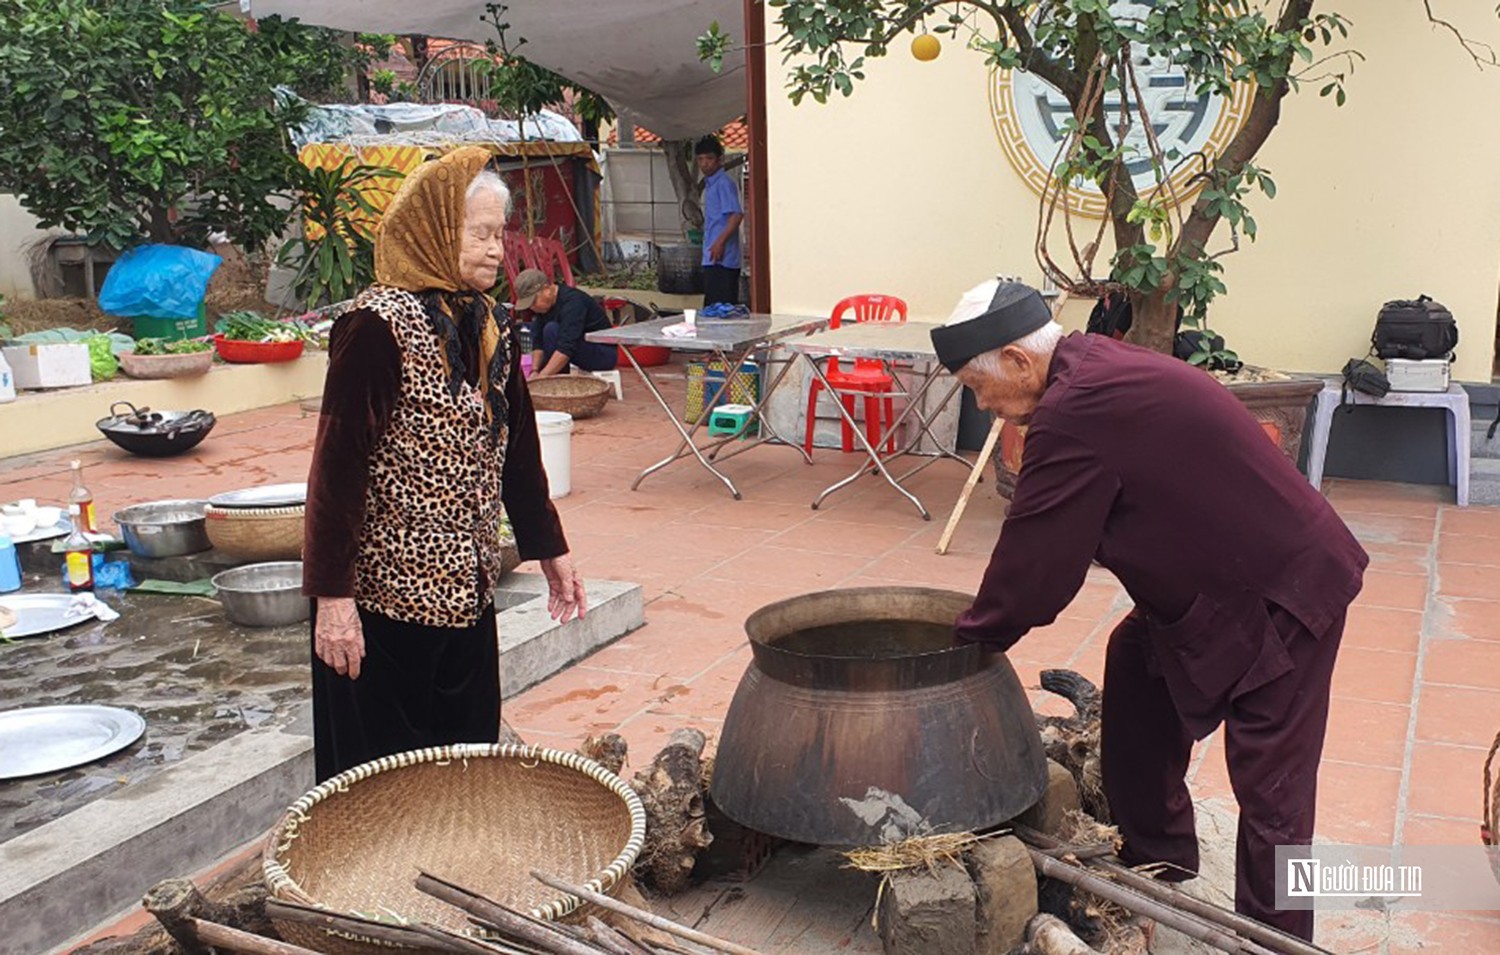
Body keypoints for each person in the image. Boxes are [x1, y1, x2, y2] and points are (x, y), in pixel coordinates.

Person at [929, 279, 1368, 942]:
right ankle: (1157, 860)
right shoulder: (1088, 371)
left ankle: (1276, 937)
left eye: (976, 383)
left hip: (1285, 585)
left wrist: (967, 642)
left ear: (1019, 361)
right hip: (1217, 582)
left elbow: (1037, 569)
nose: (982, 403)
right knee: (1135, 666)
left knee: (1272, 785)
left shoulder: (1077, 407)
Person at [302, 146, 586, 783]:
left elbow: (517, 447)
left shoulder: (486, 321)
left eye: (499, 235)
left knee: (462, 775)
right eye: (479, 235)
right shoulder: (375, 327)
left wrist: (549, 547)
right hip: (383, 607)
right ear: (431, 232)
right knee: (377, 786)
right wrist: (333, 601)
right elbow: (335, 474)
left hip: (465, 595)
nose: (496, 250)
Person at [513, 267, 618, 379]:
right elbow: (537, 343)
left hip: (603, 354)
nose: (532, 307)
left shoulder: (573, 303)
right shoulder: (543, 309)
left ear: (546, 289)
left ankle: (554, 380)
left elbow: (566, 347)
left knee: (551, 329)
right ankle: (554, 379)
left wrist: (542, 378)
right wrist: (534, 371)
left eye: (533, 302)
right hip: (577, 347)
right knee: (543, 328)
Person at [695, 134, 744, 306]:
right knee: (712, 309)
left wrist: (720, 243)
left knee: (721, 311)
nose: (704, 163)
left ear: (720, 159)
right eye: (700, 159)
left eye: (709, 158)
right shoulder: (711, 184)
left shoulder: (723, 183)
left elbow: (736, 215)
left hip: (722, 259)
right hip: (712, 256)